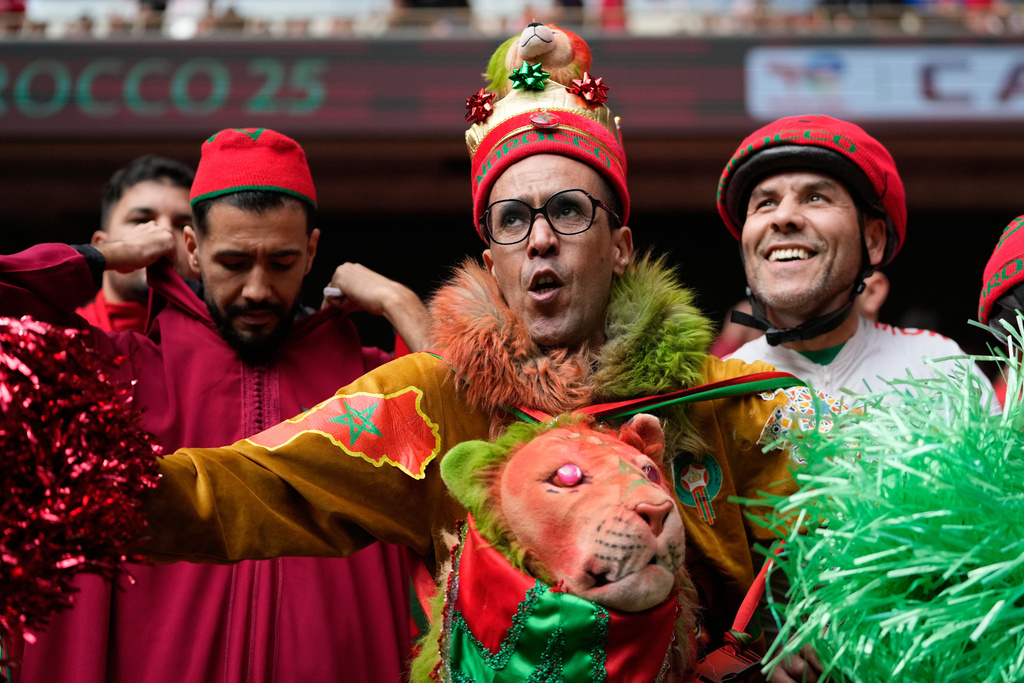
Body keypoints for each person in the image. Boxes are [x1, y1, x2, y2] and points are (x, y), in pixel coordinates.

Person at [133, 50, 845, 677]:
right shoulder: (430, 399)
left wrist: (787, 639)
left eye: (569, 210)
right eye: (512, 220)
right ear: (493, 262)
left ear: (621, 247)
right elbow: (238, 488)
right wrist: (89, 484)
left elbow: (848, 535)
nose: (540, 239)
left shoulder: (723, 400)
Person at [2, 128, 432, 683]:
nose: (257, 289)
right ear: (191, 249)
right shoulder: (121, 373)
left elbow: (481, 437)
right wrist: (102, 257)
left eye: (281, 261)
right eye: (233, 261)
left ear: (312, 252)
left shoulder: (373, 384)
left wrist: (400, 303)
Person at [719, 114, 992, 401]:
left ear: (872, 240)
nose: (783, 216)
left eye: (815, 198)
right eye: (766, 203)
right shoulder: (716, 395)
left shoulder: (940, 370)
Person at [76, 154, 195, 333]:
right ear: (101, 245)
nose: (165, 234)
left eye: (181, 226)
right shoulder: (58, 333)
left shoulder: (224, 344)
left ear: (197, 253)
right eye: (141, 220)